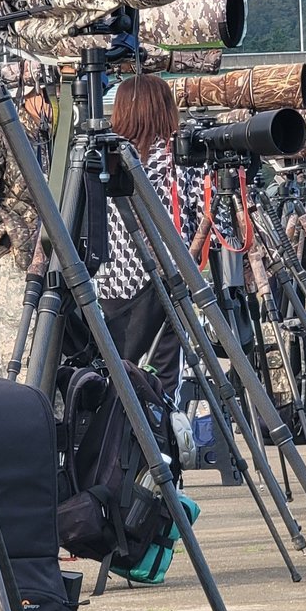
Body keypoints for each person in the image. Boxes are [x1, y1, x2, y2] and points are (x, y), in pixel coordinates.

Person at [100, 74, 197, 386]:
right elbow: (214, 224)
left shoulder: (101, 160)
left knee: (111, 376)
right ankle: (159, 431)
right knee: (162, 382)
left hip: (107, 285)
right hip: (166, 282)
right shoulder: (179, 159)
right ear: (164, 109)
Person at [0, 60, 52, 370]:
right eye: (43, 93)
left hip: (58, 261)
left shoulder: (58, 139)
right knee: (22, 358)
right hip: (19, 265)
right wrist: (4, 233)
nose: (49, 100)